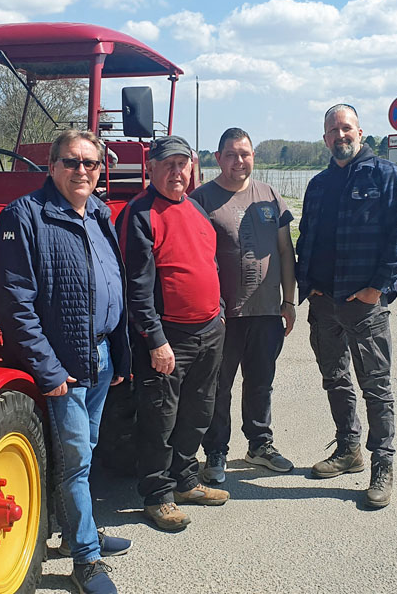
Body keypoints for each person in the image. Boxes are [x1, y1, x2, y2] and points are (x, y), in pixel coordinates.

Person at [0, 129, 130, 594]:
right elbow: (15, 304)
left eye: (91, 163)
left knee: (85, 453)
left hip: (102, 355)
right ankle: (85, 560)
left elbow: (113, 283)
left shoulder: (99, 213)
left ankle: (80, 527)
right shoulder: (25, 216)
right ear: (51, 166)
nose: (82, 171)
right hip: (66, 363)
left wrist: (119, 354)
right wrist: (49, 370)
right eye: (72, 162)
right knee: (74, 459)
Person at [295, 104, 397, 509]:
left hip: (363, 304)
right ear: (325, 138)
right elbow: (306, 236)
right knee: (335, 378)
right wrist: (307, 284)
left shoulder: (385, 175)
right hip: (323, 301)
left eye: (346, 128)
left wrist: (376, 289)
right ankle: (349, 448)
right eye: (332, 131)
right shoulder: (319, 184)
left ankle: (383, 462)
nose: (340, 136)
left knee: (376, 386)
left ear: (360, 132)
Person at [116, 135, 229, 532]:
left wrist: (220, 318)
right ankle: (158, 495)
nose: (176, 172)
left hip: (209, 330)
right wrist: (155, 339)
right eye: (167, 165)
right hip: (168, 339)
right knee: (159, 420)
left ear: (192, 168)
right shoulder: (140, 214)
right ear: (151, 169)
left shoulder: (197, 211)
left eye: (182, 164)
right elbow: (136, 288)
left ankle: (185, 481)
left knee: (198, 411)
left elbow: (207, 266)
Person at [190, 127, 297, 484]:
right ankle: (216, 451)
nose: (239, 161)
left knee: (261, 382)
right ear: (218, 158)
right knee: (219, 385)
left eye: (245, 153)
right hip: (222, 316)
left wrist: (290, 300)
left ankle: (260, 445)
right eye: (232, 154)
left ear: (254, 157)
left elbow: (285, 250)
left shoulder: (269, 196)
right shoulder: (202, 199)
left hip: (267, 311)